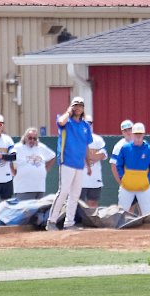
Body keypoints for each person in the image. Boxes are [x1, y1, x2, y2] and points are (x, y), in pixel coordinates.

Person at [46, 96, 94, 231]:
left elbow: (86, 146)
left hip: (79, 164)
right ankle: (51, 221)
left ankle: (69, 223)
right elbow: (60, 122)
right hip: (67, 161)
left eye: (80, 105)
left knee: (75, 194)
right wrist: (68, 112)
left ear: (83, 108)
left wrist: (88, 164)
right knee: (63, 191)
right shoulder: (67, 122)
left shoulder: (85, 126)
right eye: (75, 105)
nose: (77, 108)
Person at [116, 122, 150, 216]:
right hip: (127, 187)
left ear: (143, 134)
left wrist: (148, 180)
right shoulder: (125, 148)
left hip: (144, 187)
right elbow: (119, 164)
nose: (138, 136)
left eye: (140, 133)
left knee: (147, 214)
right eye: (136, 134)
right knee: (121, 213)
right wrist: (123, 178)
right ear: (133, 134)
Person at [11, 126, 56, 201]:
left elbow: (53, 156)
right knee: (25, 208)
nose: (32, 140)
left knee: (39, 208)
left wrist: (45, 169)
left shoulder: (41, 147)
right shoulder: (17, 147)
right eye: (30, 138)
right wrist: (13, 171)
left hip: (39, 188)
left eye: (34, 138)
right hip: (23, 189)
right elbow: (9, 159)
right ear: (25, 137)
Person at [80, 115, 108, 206]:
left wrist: (88, 156)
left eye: (89, 123)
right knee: (78, 204)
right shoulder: (75, 138)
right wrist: (93, 155)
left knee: (93, 203)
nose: (87, 126)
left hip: (94, 179)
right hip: (79, 179)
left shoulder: (98, 139)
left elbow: (103, 154)